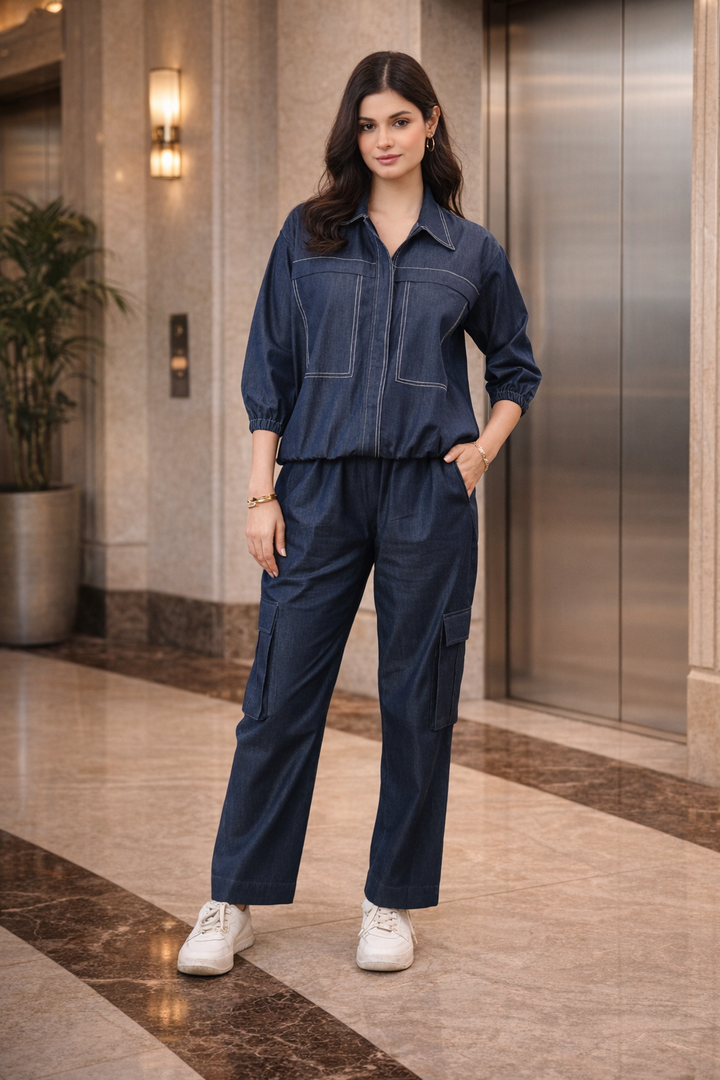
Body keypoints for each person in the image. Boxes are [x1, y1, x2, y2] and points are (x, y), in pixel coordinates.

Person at [178, 51, 540, 977]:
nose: (383, 139)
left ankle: (390, 902)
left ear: (430, 124)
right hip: (318, 490)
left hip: (428, 492)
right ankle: (234, 898)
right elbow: (270, 375)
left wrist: (479, 454)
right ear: (355, 133)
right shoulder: (308, 237)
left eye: (400, 122)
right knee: (278, 698)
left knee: (418, 700)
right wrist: (262, 495)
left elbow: (516, 368)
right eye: (368, 124)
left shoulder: (471, 251)